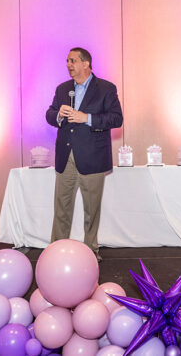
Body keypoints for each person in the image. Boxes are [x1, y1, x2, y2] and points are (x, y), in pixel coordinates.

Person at [45, 48, 123, 262]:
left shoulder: (106, 88)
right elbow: (49, 114)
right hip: (66, 157)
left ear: (86, 63)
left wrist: (86, 118)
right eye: (67, 61)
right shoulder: (62, 89)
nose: (68, 65)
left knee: (91, 210)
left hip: (93, 157)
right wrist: (58, 115)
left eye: (73, 60)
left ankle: (90, 252)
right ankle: (56, 252)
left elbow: (116, 119)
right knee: (61, 208)